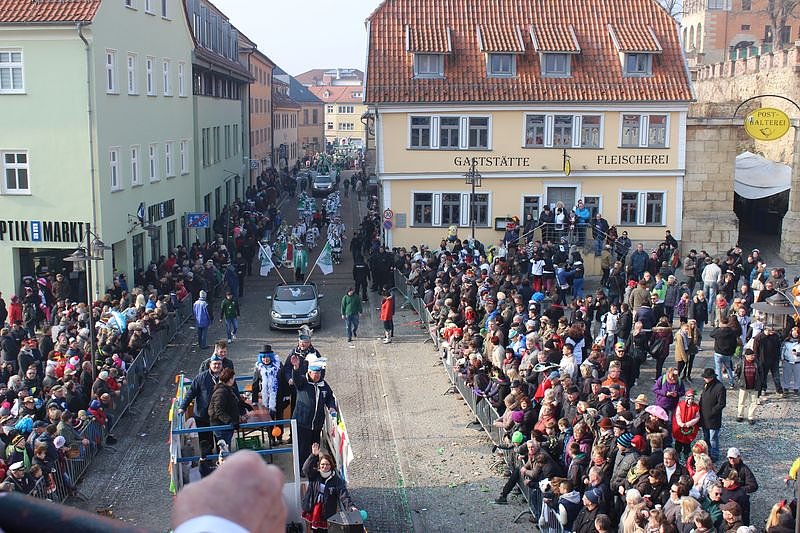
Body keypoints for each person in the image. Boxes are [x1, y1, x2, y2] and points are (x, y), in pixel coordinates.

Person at [290, 355, 337, 471]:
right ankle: (302, 469)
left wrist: (331, 407)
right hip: (303, 422)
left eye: (319, 374)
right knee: (303, 448)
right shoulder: (303, 382)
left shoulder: (323, 385)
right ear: (309, 373)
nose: (317, 376)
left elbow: (330, 397)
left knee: (315, 447)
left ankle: (314, 467)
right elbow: (296, 379)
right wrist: (295, 368)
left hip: (316, 424)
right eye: (315, 373)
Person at [301, 443, 358, 532]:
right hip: (313, 510)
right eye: (323, 464)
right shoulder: (315, 475)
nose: (325, 467)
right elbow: (305, 469)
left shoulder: (336, 480)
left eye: (327, 464)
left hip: (327, 513)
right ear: (319, 465)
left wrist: (351, 506)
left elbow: (343, 494)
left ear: (331, 465)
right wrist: (313, 455)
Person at [179, 356, 225, 456]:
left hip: (220, 415)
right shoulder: (201, 377)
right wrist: (183, 407)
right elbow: (191, 393)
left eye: (219, 364)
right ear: (210, 365)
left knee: (221, 441)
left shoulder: (225, 376)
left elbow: (234, 393)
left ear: (222, 365)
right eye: (214, 364)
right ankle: (207, 462)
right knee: (205, 442)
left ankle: (222, 461)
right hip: (203, 415)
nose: (217, 366)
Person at [207, 368, 246, 449]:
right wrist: (231, 421)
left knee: (225, 449)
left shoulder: (226, 389)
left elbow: (232, 403)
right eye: (233, 378)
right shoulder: (221, 392)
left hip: (224, 425)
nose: (234, 380)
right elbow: (219, 411)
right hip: (221, 426)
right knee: (225, 449)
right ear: (229, 379)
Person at [699, 367, 726, 462]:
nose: (704, 379)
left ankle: (714, 455)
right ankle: (707, 452)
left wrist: (712, 411)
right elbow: (702, 398)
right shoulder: (706, 385)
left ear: (712, 377)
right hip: (704, 416)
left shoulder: (720, 387)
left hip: (713, 418)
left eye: (706, 377)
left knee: (713, 438)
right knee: (706, 436)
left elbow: (721, 404)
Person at [252, 345, 281, 420]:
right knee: (267, 418)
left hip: (278, 396)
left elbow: (283, 380)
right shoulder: (259, 368)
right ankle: (269, 431)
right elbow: (255, 384)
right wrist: (255, 400)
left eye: (267, 357)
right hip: (266, 398)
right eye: (263, 357)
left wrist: (286, 395)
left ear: (271, 357)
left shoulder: (278, 366)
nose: (265, 359)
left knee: (279, 417)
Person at [710, 317, 739, 388]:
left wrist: (717, 327)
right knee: (728, 368)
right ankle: (731, 382)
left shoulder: (718, 331)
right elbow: (735, 343)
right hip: (728, 353)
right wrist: (732, 352)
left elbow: (711, 334)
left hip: (718, 353)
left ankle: (719, 384)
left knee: (718, 369)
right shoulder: (732, 331)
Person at [734, 349, 761, 424]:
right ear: (746, 356)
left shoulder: (757, 363)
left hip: (754, 386)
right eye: (751, 355)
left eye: (753, 355)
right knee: (741, 401)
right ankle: (740, 415)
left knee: (753, 402)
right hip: (743, 386)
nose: (752, 357)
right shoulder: (741, 363)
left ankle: (751, 417)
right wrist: (739, 382)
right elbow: (736, 374)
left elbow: (761, 373)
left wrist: (760, 383)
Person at [780, 326, 800, 395]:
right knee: (786, 375)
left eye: (796, 333)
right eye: (793, 333)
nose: (795, 334)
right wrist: (782, 358)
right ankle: (786, 388)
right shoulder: (786, 341)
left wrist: (797, 353)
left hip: (797, 362)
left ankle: (796, 388)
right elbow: (782, 350)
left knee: (797, 376)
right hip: (787, 361)